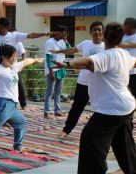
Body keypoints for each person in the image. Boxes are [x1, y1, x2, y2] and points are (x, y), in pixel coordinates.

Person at [53, 22, 136, 174]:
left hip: (110, 110)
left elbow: (87, 62)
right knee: (124, 147)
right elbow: (134, 62)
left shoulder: (105, 56)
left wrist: (67, 63)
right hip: (127, 108)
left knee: (90, 141)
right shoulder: (125, 54)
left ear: (105, 36)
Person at [0, 17, 51, 124]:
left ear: (7, 28)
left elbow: (31, 35)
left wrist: (46, 33)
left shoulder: (15, 36)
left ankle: (5, 118)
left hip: (11, 70)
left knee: (8, 97)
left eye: (1, 28)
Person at [51, 22, 104, 137]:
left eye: (99, 30)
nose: (97, 32)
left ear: (103, 32)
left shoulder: (106, 47)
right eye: (94, 29)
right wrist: (58, 52)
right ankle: (66, 130)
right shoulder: (86, 44)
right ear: (90, 32)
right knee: (77, 107)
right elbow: (71, 50)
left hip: (99, 83)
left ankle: (102, 133)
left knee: (101, 107)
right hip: (84, 82)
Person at [43, 26, 68, 118]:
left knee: (58, 91)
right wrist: (51, 71)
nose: (64, 35)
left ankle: (57, 110)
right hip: (53, 69)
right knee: (50, 92)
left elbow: (69, 50)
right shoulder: (49, 42)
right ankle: (46, 111)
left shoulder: (62, 41)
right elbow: (48, 58)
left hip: (61, 69)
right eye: (63, 33)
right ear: (58, 33)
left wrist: (65, 40)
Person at [122, 17, 136, 98]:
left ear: (130, 26)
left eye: (125, 25)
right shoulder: (122, 36)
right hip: (123, 71)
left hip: (134, 71)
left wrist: (123, 45)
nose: (123, 27)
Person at [16, 42, 28, 109]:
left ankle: (23, 104)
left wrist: (22, 65)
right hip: (4, 66)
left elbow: (23, 54)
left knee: (19, 85)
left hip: (15, 67)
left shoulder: (18, 42)